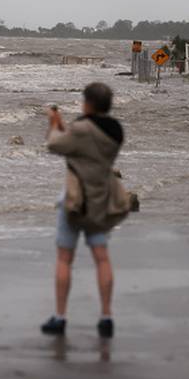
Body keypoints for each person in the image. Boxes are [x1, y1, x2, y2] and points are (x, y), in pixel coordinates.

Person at [41, 82, 130, 338]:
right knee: (102, 257)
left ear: (88, 102)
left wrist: (54, 122)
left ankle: (60, 317)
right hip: (101, 199)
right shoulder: (116, 131)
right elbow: (85, 143)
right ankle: (106, 316)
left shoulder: (81, 128)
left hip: (75, 201)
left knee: (64, 258)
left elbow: (56, 145)